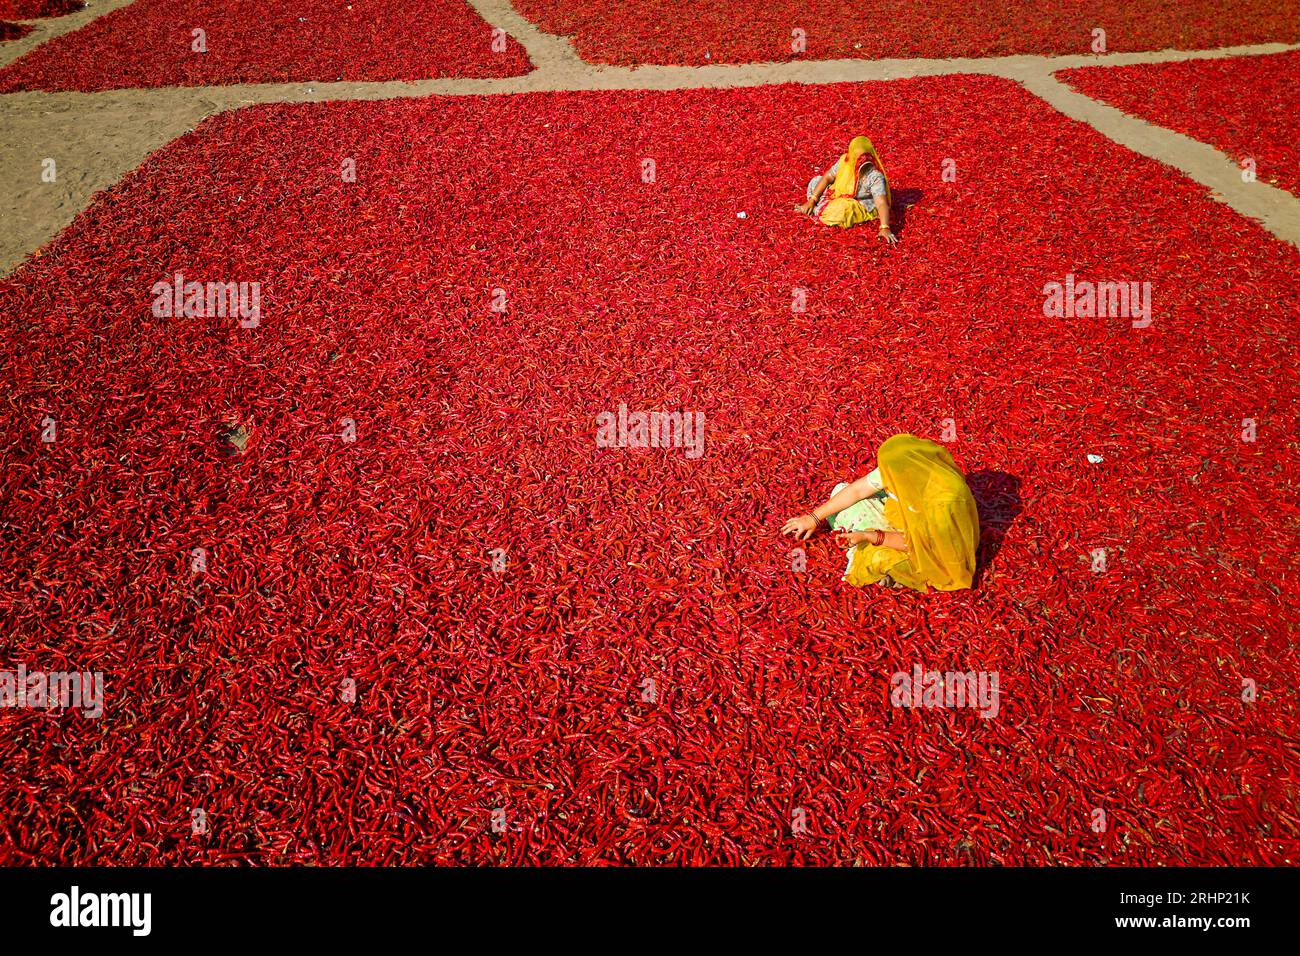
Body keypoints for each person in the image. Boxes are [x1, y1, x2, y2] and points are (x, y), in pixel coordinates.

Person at [781, 434, 979, 590]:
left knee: (878, 557)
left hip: (939, 552)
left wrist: (870, 536)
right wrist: (813, 518)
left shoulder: (944, 502)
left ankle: (889, 568)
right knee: (840, 491)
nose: (885, 478)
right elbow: (857, 490)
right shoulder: (906, 467)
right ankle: (866, 549)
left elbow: (923, 545)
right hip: (906, 520)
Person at [795, 135, 897, 243]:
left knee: (842, 209)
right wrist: (812, 200)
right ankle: (816, 207)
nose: (862, 161)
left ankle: (816, 210)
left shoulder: (874, 176)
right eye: (858, 158)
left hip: (858, 202)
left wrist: (885, 227)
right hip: (838, 193)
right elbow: (828, 177)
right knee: (816, 181)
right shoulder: (845, 161)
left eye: (865, 157)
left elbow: (881, 203)